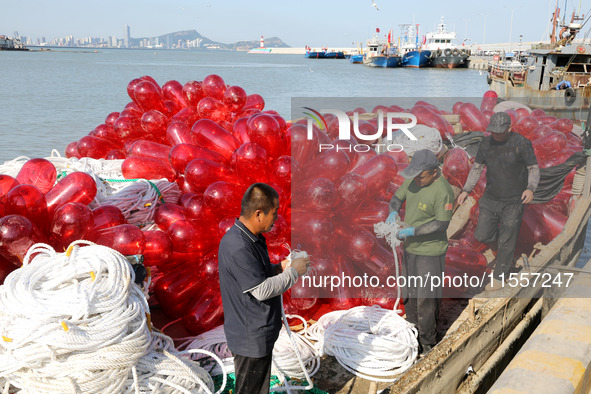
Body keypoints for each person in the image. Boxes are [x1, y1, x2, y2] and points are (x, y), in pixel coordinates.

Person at [218, 183, 310, 394]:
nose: (276, 218)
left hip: (257, 333)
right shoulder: (238, 245)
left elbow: (256, 273)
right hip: (250, 337)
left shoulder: (251, 238)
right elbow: (260, 289)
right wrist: (293, 272)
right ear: (259, 213)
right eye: (275, 212)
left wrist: (280, 268)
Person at [457, 111, 539, 288]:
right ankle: (503, 251)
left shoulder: (522, 144)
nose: (495, 134)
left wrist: (530, 189)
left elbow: (533, 168)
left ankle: (500, 277)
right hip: (491, 197)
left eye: (499, 132)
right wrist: (465, 190)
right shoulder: (486, 143)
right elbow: (477, 168)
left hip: (514, 200)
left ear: (510, 128)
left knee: (508, 239)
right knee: (482, 234)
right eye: (492, 131)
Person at [386, 149, 455, 355]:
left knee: (427, 298)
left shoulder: (443, 191)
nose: (417, 179)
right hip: (410, 248)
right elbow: (397, 198)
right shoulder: (413, 181)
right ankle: (412, 335)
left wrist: (412, 231)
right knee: (410, 295)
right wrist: (392, 211)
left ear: (434, 172)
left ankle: (428, 344)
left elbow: (441, 224)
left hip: (430, 252)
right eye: (415, 175)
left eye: (421, 175)